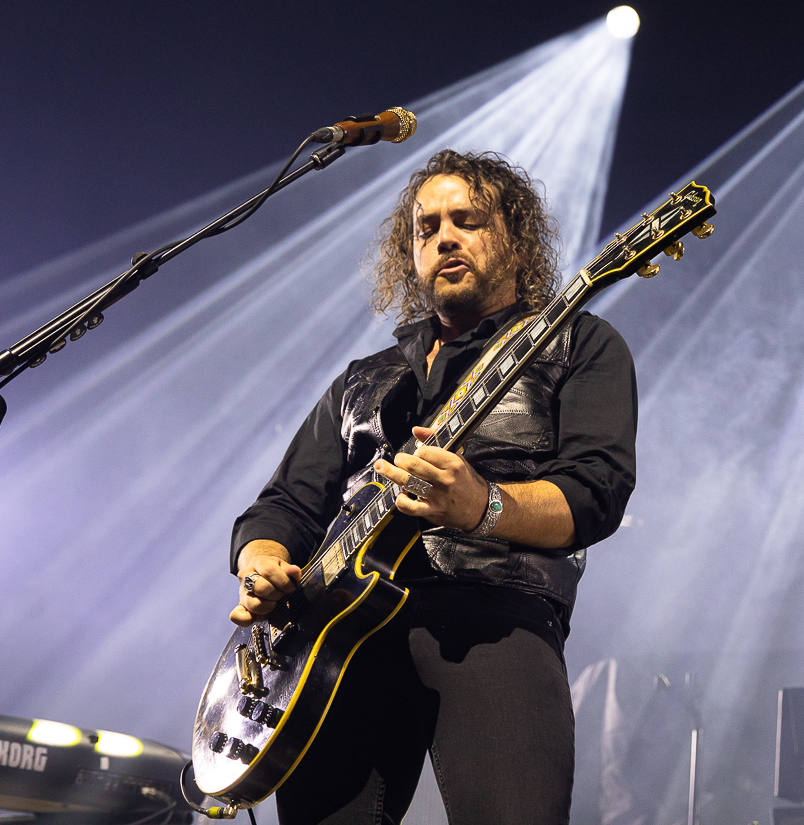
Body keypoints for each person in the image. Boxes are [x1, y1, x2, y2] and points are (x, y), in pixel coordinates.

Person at [228, 149, 637, 824]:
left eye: (467, 220)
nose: (444, 237)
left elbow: (595, 492)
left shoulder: (577, 344)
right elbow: (284, 505)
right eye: (427, 227)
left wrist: (483, 506)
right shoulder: (363, 379)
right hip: (337, 642)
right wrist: (262, 564)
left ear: (516, 238)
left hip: (495, 616)